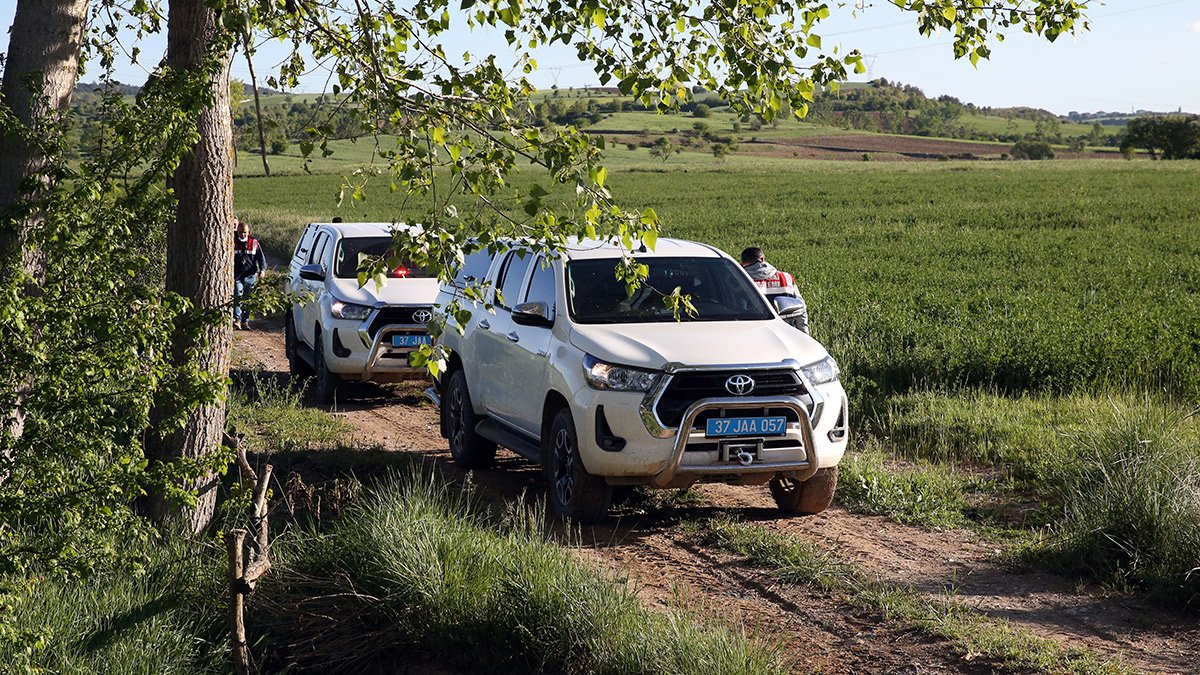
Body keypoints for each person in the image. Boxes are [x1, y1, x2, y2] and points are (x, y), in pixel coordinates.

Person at [740, 246, 808, 333]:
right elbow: (801, 308)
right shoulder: (786, 277)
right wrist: (804, 334)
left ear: (742, 263)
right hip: (785, 332)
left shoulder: (739, 279)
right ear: (762, 258)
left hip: (753, 332)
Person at [233, 219, 266, 330]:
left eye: (244, 232)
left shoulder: (254, 243)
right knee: (238, 295)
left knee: (248, 299)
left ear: (249, 232)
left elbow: (261, 259)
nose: (242, 234)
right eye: (240, 232)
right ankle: (237, 319)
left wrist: (262, 270)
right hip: (237, 276)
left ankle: (245, 321)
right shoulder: (232, 242)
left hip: (251, 276)